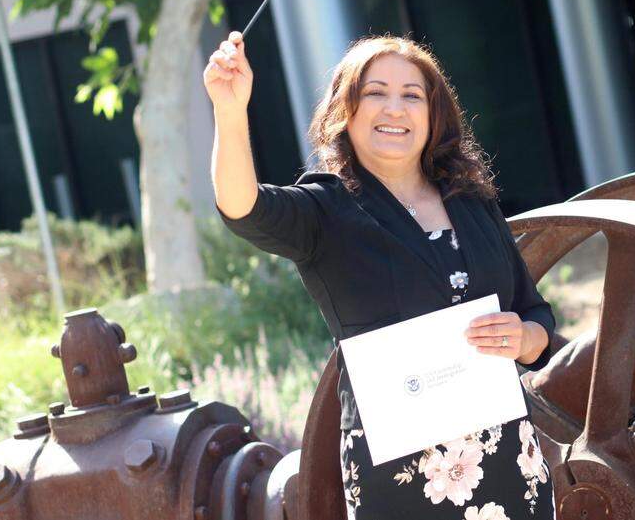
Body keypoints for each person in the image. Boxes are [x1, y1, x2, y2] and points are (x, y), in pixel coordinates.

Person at [204, 32, 556, 519]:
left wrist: (525, 338)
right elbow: (243, 207)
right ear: (345, 111)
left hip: (507, 454)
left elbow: (535, 314)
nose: (395, 108)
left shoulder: (472, 200)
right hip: (400, 470)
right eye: (375, 93)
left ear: (433, 115)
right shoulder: (325, 210)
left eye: (412, 96)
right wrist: (229, 111)